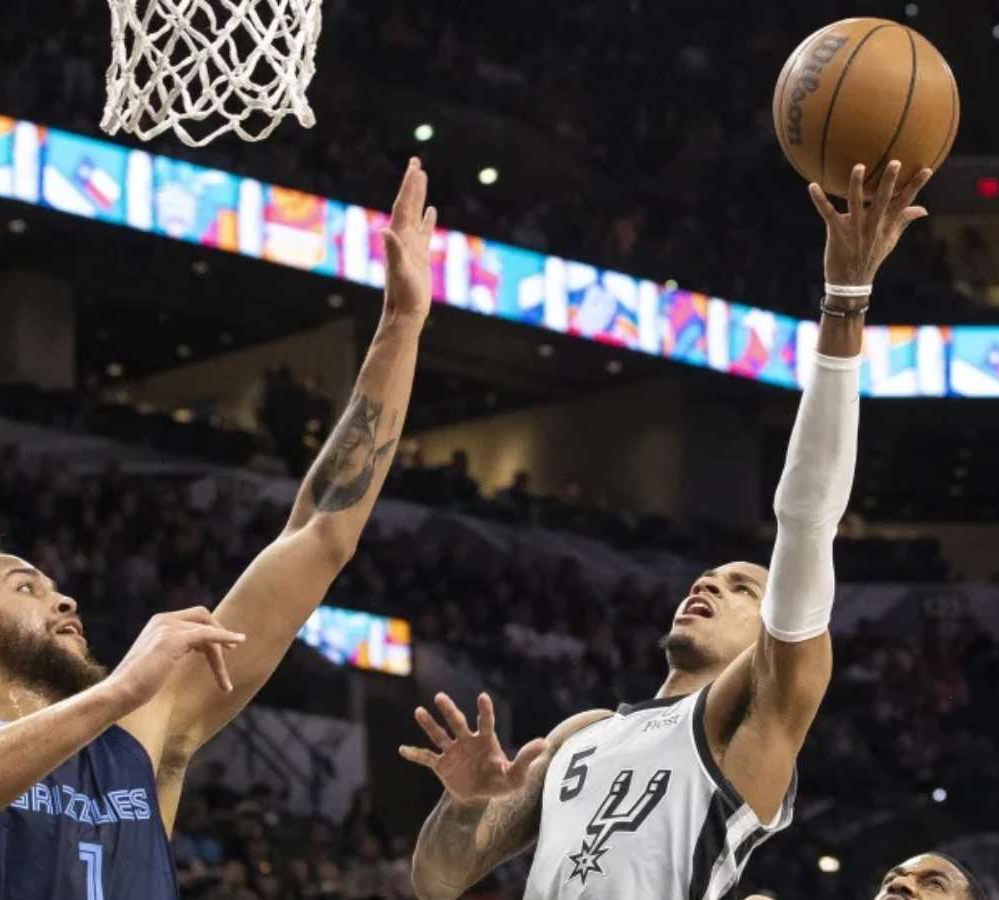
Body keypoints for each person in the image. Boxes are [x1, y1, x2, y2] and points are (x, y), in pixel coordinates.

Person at [0, 158, 440, 900]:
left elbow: (319, 533)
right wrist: (117, 690)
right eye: (25, 586)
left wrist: (400, 326)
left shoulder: (143, 729)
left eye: (56, 587)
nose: (63, 601)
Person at [400, 162, 934, 899]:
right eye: (706, 577)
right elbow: (436, 879)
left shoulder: (747, 719)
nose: (710, 582)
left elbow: (806, 521)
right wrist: (462, 805)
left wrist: (844, 302)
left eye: (742, 586)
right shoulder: (581, 734)